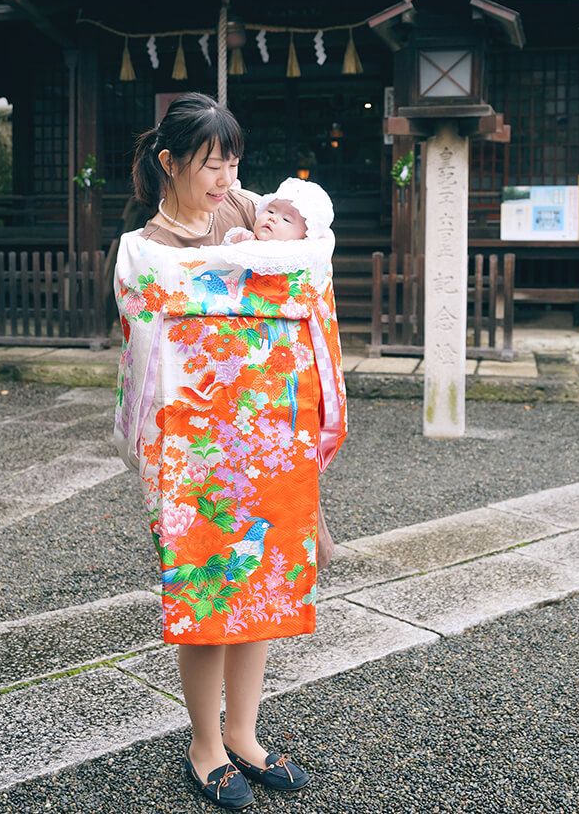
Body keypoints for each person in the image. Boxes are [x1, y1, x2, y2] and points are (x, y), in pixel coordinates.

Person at [114, 92, 347, 809]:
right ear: (170, 163)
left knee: (264, 580)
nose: (227, 179)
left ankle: (243, 733)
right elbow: (152, 322)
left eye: (234, 163)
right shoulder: (147, 248)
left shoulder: (239, 212)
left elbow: (309, 249)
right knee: (211, 588)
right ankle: (204, 743)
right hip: (198, 451)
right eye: (214, 165)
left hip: (265, 441)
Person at [221, 176, 335, 245]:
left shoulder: (300, 253)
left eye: (286, 219)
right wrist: (237, 239)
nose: (272, 218)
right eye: (270, 211)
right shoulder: (249, 240)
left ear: (305, 235)